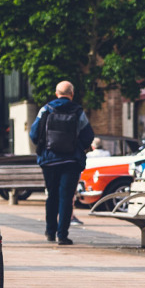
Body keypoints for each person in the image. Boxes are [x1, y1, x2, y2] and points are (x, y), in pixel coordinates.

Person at [28, 80, 94, 245]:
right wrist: (78, 147)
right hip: (71, 161)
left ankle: (50, 232)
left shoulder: (46, 109)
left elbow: (34, 134)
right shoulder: (78, 111)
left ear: (57, 93)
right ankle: (62, 235)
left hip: (49, 160)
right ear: (71, 94)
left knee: (52, 196)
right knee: (66, 197)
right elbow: (88, 136)